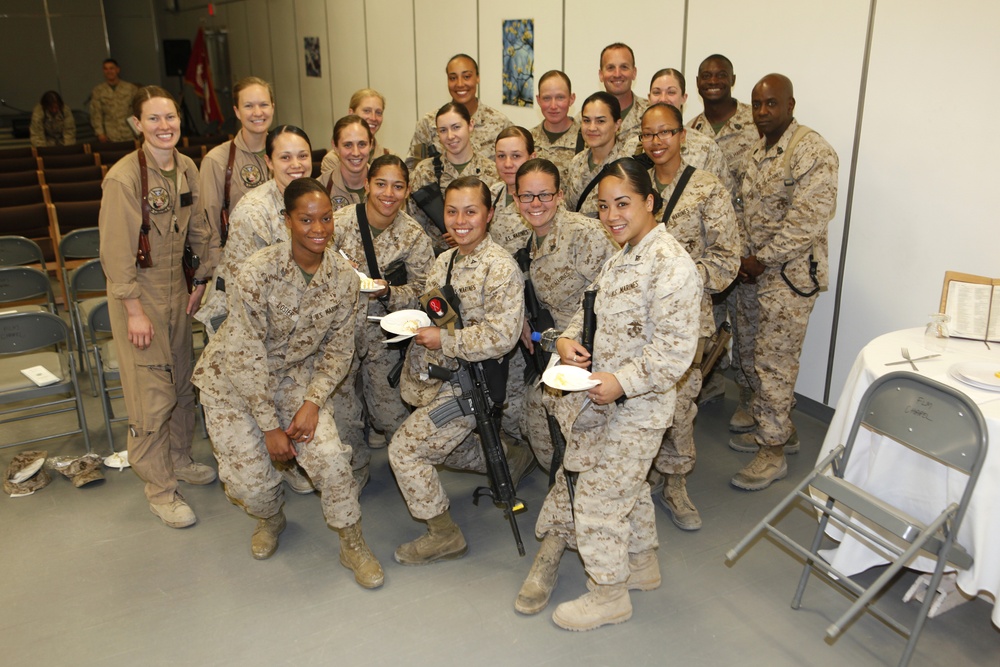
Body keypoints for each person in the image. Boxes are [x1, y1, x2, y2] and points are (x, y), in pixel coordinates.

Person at [514, 157, 701, 630]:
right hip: (603, 398)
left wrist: (622, 382)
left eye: (623, 203)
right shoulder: (623, 253)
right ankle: (641, 565)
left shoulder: (671, 265)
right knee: (630, 489)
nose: (612, 215)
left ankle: (608, 594)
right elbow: (590, 308)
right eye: (602, 206)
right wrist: (566, 340)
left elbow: (675, 353)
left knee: (598, 500)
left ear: (649, 202)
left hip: (639, 407)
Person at [191, 178, 384, 588]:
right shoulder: (256, 272)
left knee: (331, 459)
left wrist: (313, 403)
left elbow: (337, 351)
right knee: (251, 483)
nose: (319, 228)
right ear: (287, 221)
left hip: (295, 376)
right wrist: (269, 427)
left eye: (326, 218)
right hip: (233, 384)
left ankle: (352, 542)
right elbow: (244, 355)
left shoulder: (345, 280)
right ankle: (269, 516)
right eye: (306, 219)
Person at [388, 176, 530, 566]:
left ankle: (443, 534)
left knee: (406, 451)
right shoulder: (445, 260)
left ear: (490, 214)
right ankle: (508, 456)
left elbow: (502, 336)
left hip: (472, 386)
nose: (460, 220)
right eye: (452, 211)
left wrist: (444, 341)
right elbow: (435, 308)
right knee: (451, 446)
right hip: (441, 374)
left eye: (471, 211)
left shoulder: (499, 268)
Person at [98, 85, 218, 528]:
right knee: (152, 396)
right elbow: (114, 253)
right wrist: (133, 311)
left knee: (183, 383)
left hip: (178, 291)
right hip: (140, 296)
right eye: (153, 119)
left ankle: (180, 458)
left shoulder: (186, 168)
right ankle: (160, 488)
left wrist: (200, 278)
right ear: (137, 125)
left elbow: (200, 229)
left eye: (170, 117)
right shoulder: (124, 178)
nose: (164, 126)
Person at [728, 74, 838, 491]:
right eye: (757, 105)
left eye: (771, 104)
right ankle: (779, 428)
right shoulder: (758, 149)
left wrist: (761, 260)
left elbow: (807, 221)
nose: (762, 112)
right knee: (754, 354)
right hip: (754, 274)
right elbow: (742, 207)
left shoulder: (811, 150)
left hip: (788, 278)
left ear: (790, 104)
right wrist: (742, 259)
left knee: (774, 362)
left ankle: (772, 452)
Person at [639, 104, 739, 530]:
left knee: (680, 403)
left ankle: (675, 482)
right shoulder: (630, 183)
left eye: (666, 132)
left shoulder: (707, 188)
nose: (657, 141)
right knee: (636, 397)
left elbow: (726, 259)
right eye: (649, 134)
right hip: (633, 315)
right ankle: (638, 472)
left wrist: (679, 279)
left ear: (682, 135)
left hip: (685, 319)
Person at [331, 155, 435, 487]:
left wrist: (389, 291)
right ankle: (357, 467)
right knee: (343, 411)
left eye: (397, 186)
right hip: (340, 333)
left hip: (383, 334)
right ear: (366, 185)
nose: (388, 193)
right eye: (380, 184)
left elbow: (424, 290)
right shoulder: (339, 224)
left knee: (390, 411)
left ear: (406, 191)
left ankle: (407, 465)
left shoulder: (413, 235)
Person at [514, 157, 617, 473]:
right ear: (516, 200)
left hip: (594, 348)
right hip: (557, 346)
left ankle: (588, 485)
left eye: (545, 194)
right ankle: (568, 482)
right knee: (535, 421)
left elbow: (611, 293)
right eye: (527, 196)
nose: (536, 203)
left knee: (555, 421)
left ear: (559, 196)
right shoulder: (530, 241)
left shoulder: (584, 234)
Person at [686, 54, 761, 418]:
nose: (713, 81)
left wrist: (751, 253)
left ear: (732, 78)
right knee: (709, 325)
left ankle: (751, 398)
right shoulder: (691, 130)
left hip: (752, 250)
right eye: (706, 76)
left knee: (748, 329)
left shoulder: (756, 121)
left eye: (720, 75)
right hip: (710, 246)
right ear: (698, 82)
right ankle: (710, 380)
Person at [488, 126, 537, 447]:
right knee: (499, 384)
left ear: (532, 157)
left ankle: (525, 445)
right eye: (501, 156)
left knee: (519, 386)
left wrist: (520, 314)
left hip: (526, 310)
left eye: (516, 156)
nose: (508, 163)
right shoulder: (492, 192)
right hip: (494, 307)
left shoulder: (536, 202)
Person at [407, 102, 500, 254]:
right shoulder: (424, 172)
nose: (450, 136)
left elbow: (497, 223)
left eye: (456, 127)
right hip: (434, 259)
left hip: (480, 259)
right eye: (443, 130)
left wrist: (466, 233)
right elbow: (413, 225)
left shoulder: (492, 173)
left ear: (470, 125)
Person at [200, 76, 274, 248]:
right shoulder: (217, 161)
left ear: (272, 107)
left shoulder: (286, 155)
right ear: (237, 111)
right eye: (248, 106)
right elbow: (208, 224)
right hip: (238, 261)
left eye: (264, 105)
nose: (257, 112)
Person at [406, 54, 512, 168]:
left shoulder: (500, 123)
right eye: (453, 78)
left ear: (477, 78)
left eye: (466, 76)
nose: (460, 84)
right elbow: (412, 169)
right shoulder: (428, 124)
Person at [646, 69, 734, 196]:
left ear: (684, 98)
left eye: (671, 92)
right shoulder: (633, 147)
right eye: (656, 92)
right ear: (649, 98)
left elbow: (722, 199)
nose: (663, 98)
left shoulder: (706, 148)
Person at [564, 92, 632, 218]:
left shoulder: (626, 166)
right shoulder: (576, 162)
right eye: (586, 121)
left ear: (617, 124)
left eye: (600, 121)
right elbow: (567, 211)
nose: (592, 128)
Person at [530, 70, 581, 185]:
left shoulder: (586, 139)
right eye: (546, 98)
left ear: (571, 99)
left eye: (560, 97)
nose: (553, 106)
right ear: (538, 100)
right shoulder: (528, 139)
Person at [321, 88, 389, 173]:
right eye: (367, 111)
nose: (373, 118)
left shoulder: (389, 156)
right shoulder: (333, 160)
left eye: (378, 112)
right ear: (351, 113)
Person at [592, 43, 647, 143]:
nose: (617, 74)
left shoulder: (650, 113)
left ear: (634, 73)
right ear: (601, 75)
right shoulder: (586, 117)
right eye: (610, 68)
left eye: (624, 67)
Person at [320, 114, 373, 212]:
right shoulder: (319, 188)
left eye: (362, 144)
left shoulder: (386, 188)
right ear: (335, 147)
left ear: (371, 145)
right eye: (348, 145)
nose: (356, 153)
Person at [90, 58, 138, 143]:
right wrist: (100, 133)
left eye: (111, 68)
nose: (109, 71)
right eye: (106, 69)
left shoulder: (130, 88)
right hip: (110, 135)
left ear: (117, 70)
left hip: (130, 133)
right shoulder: (98, 91)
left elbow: (138, 110)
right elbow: (96, 114)